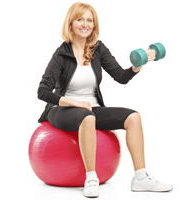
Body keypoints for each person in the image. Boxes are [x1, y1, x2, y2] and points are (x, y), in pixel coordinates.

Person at [37, 2, 173, 198]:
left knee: (133, 117)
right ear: (71, 24)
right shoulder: (61, 54)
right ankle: (91, 178)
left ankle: (141, 178)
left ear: (94, 24)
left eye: (90, 20)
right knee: (87, 118)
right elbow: (42, 91)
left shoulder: (98, 49)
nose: (85, 24)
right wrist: (74, 102)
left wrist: (139, 65)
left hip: (91, 109)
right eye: (80, 19)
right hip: (60, 110)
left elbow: (120, 76)